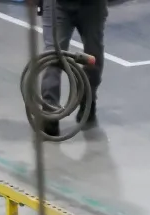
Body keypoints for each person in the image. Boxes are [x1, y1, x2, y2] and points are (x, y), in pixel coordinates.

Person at [38, 0, 107, 129]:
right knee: (53, 56)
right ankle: (50, 111)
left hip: (92, 6)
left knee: (93, 55)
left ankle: (88, 98)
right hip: (57, 5)